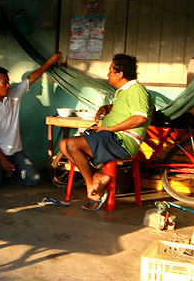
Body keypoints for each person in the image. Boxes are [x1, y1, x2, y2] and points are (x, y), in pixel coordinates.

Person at [59, 54, 153, 211]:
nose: (107, 75)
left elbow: (140, 118)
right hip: (111, 137)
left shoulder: (137, 90)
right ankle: (96, 178)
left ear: (120, 74)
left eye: (110, 71)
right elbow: (125, 110)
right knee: (64, 145)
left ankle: (94, 190)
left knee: (71, 145)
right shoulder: (123, 91)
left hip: (123, 141)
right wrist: (107, 108)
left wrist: (109, 128)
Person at [0, 52, 62, 189]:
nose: (8, 85)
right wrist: (3, 159)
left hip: (15, 152)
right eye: (5, 83)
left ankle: (12, 173)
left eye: (8, 82)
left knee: (35, 179)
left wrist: (50, 61)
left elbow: (32, 78)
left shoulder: (13, 94)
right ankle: (2, 170)